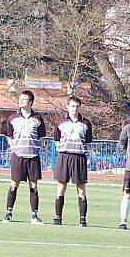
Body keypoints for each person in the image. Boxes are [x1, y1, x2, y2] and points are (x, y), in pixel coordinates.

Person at [3, 90, 47, 225]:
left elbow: (42, 137)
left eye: (24, 99)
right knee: (14, 184)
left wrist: (35, 148)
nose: (21, 101)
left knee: (33, 185)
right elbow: (9, 136)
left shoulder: (38, 119)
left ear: (31, 102)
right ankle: (8, 213)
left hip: (33, 157)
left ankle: (34, 216)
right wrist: (15, 148)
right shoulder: (12, 118)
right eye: (20, 99)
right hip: (18, 156)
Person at [52, 96, 93, 227]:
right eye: (72, 106)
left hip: (79, 157)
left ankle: (82, 220)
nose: (74, 109)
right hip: (64, 156)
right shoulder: (60, 122)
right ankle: (58, 217)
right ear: (67, 107)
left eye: (77, 106)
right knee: (61, 187)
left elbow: (88, 142)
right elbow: (56, 140)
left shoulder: (86, 123)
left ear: (79, 107)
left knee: (81, 189)